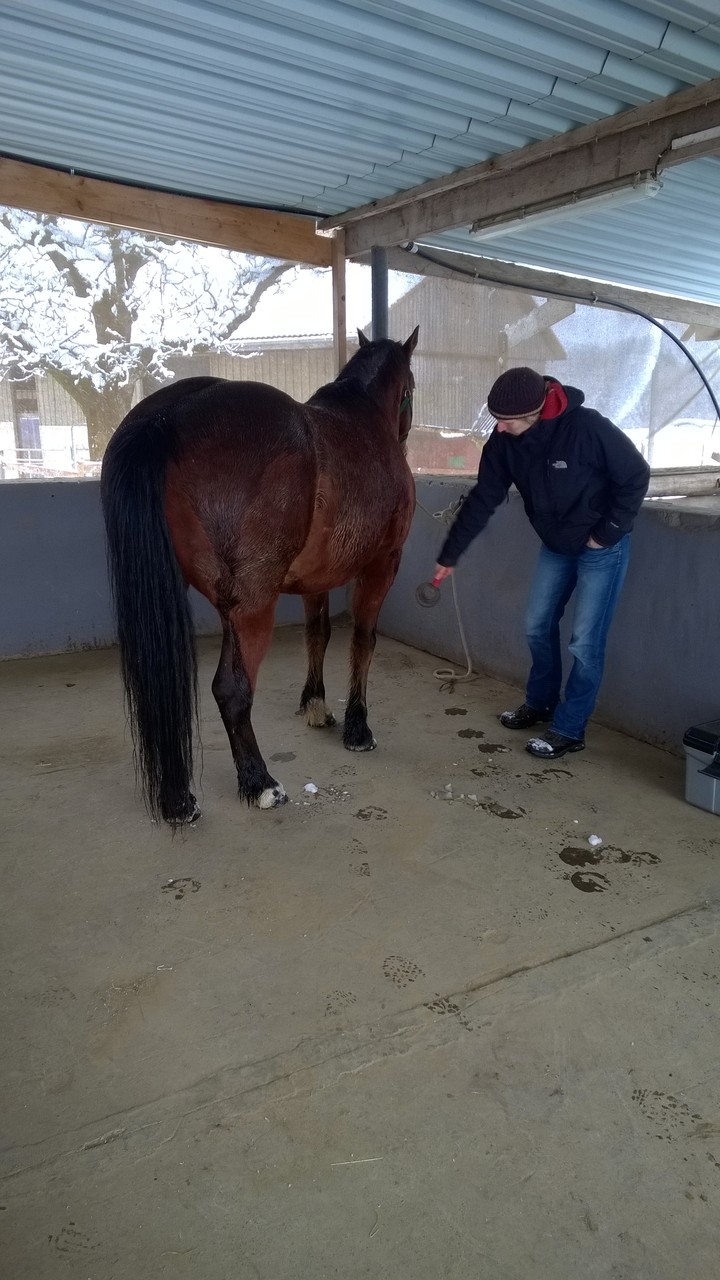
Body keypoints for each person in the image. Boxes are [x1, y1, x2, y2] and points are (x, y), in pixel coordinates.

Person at [433, 366, 650, 760]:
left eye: (508, 421)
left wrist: (607, 533)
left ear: (536, 413)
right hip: (556, 545)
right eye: (495, 419)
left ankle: (569, 728)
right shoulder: (503, 443)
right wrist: (451, 555)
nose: (499, 428)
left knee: (585, 643)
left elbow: (636, 474)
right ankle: (540, 703)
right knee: (536, 625)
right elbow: (485, 498)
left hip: (601, 549)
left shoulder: (586, 428)